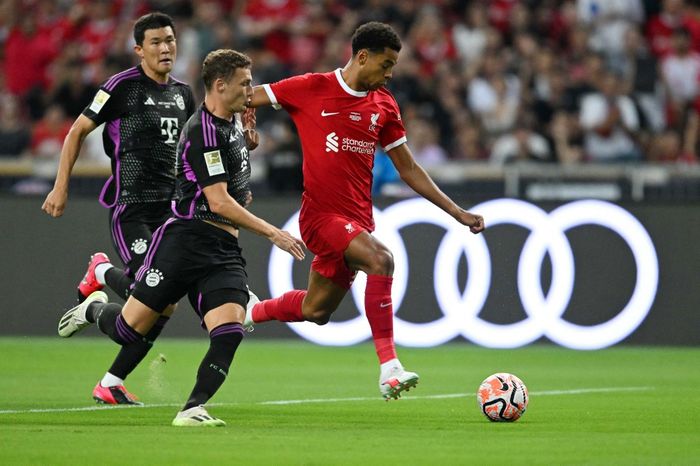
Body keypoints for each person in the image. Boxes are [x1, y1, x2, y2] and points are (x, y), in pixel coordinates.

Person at [57, 49, 306, 426]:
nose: (250, 90)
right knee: (128, 330)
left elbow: (236, 188)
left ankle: (192, 408)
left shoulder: (234, 124)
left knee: (230, 330)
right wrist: (274, 233)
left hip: (222, 250)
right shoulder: (201, 131)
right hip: (183, 242)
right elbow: (219, 201)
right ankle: (94, 304)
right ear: (220, 86)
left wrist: (247, 147)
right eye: (244, 83)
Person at [244, 22, 485, 400]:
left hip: (357, 220)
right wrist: (248, 118)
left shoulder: (383, 104)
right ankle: (389, 367)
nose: (389, 74)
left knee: (315, 310)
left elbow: (408, 168)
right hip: (321, 218)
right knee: (381, 259)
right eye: (386, 65)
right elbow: (244, 96)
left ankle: (252, 311)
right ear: (362, 57)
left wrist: (456, 211)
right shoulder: (311, 87)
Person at [43, 12, 197, 405]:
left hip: (170, 211)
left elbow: (190, 148)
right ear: (139, 50)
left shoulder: (183, 94)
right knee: (151, 293)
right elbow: (77, 130)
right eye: (156, 42)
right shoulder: (121, 87)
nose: (165, 48)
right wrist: (61, 185)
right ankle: (100, 273)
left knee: (165, 300)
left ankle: (111, 382)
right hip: (133, 209)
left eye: (170, 40)